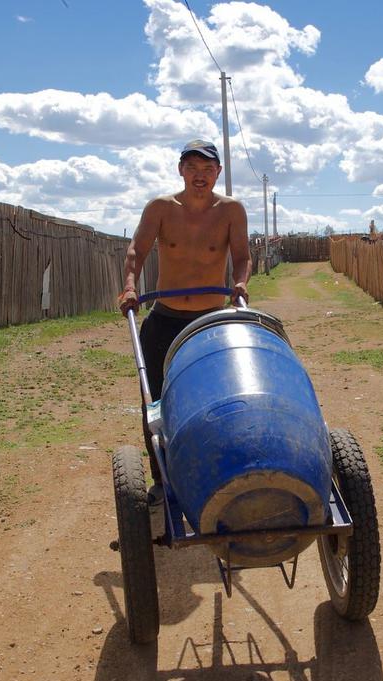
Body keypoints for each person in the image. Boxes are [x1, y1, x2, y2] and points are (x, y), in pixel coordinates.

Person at [119, 139, 252, 488]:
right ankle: (162, 482)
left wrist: (240, 283)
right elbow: (137, 250)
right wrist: (130, 286)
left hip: (211, 322)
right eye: (192, 168)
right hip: (165, 319)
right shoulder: (161, 208)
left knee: (220, 396)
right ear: (180, 169)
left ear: (218, 173)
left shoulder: (231, 211)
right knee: (157, 404)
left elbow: (242, 256)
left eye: (208, 169)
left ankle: (217, 471)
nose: (200, 175)